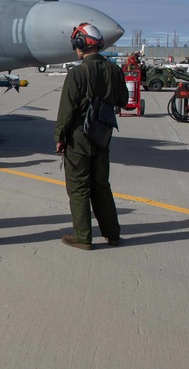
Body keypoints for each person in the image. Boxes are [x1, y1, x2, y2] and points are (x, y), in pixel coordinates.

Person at [55, 22, 128, 250]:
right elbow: (123, 101)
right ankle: (112, 234)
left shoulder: (77, 73)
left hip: (79, 138)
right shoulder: (114, 70)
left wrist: (60, 137)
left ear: (81, 44)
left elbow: (66, 111)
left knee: (78, 187)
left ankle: (83, 237)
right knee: (101, 186)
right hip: (102, 136)